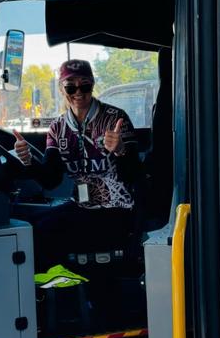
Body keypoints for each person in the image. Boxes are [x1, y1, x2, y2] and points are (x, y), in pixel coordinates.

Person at [12, 59, 140, 270]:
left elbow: (134, 175)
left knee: (43, 231)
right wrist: (28, 161)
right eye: (71, 85)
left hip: (116, 210)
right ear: (62, 88)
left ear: (93, 84)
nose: (78, 92)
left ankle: (59, 292)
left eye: (85, 85)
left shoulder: (115, 119)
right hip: (81, 206)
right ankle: (53, 293)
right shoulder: (58, 127)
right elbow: (51, 179)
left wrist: (121, 150)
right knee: (24, 223)